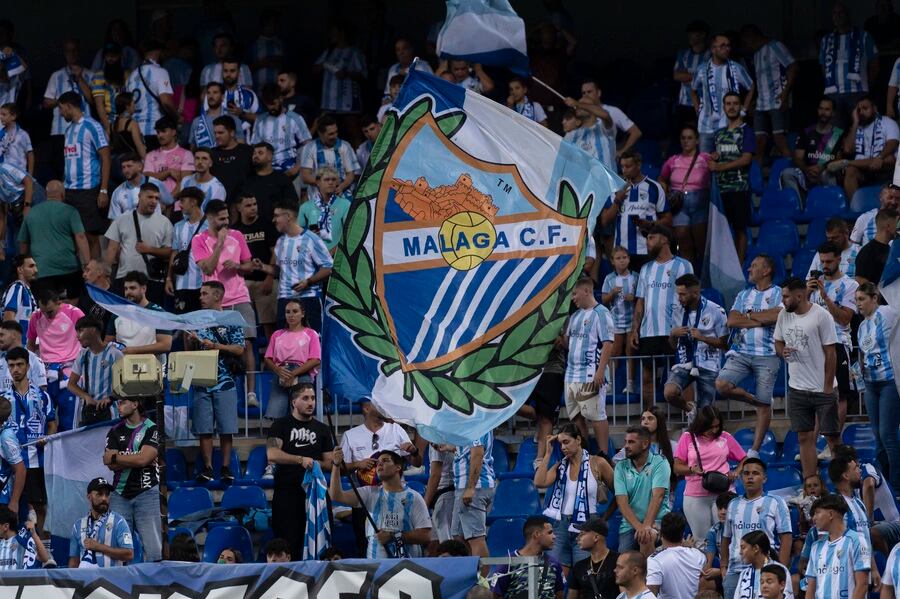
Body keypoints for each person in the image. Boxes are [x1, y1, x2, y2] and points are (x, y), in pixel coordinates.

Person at [715, 254, 782, 457]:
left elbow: (778, 315)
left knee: (764, 405)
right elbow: (732, 320)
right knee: (722, 385)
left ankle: (754, 450)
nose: (749, 269)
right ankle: (755, 400)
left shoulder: (779, 293)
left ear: (766, 270)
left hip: (768, 354)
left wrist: (749, 316)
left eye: (754, 266)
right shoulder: (744, 295)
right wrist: (761, 319)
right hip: (741, 352)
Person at [191, 199, 257, 401]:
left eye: (227, 217)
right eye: (221, 218)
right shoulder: (199, 240)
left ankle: (250, 393)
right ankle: (212, 389)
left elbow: (249, 266)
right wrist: (219, 244)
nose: (226, 221)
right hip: (214, 301)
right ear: (210, 218)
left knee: (246, 343)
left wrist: (237, 266)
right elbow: (208, 268)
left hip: (239, 297)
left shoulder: (237, 235)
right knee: (209, 344)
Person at [773, 277, 838, 479]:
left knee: (833, 439)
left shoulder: (822, 316)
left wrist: (827, 388)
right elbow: (778, 342)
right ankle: (810, 487)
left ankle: (842, 483)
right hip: (797, 388)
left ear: (799, 296)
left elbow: (831, 353)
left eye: (785, 296)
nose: (782, 300)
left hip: (822, 389)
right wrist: (782, 351)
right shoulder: (784, 315)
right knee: (804, 437)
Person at [266, 382, 334, 561]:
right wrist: (300, 460)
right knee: (288, 543)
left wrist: (314, 463)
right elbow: (272, 454)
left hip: (315, 494)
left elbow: (329, 463)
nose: (310, 402)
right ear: (293, 402)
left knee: (320, 546)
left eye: (312, 398)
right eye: (305, 398)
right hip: (287, 494)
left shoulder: (323, 429)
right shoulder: (280, 425)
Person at [535, 423, 614, 573]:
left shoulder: (597, 463)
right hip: (560, 525)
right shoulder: (560, 466)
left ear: (578, 440)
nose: (563, 447)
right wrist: (547, 454)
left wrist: (605, 518)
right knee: (553, 574)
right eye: (560, 444)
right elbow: (539, 482)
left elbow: (620, 493)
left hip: (587, 525)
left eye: (566, 442)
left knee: (584, 576)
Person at [629, 225, 693, 407]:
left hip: (676, 330)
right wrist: (635, 330)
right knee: (647, 378)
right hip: (649, 332)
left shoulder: (683, 265)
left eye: (651, 238)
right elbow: (640, 302)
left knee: (685, 376)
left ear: (664, 239)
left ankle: (691, 416)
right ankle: (649, 418)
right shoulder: (646, 269)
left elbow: (692, 296)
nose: (647, 243)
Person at [186, 281, 244, 484]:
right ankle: (208, 468)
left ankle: (226, 467)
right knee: (204, 428)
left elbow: (239, 349)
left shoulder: (232, 318)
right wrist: (192, 341)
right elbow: (189, 351)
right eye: (200, 293)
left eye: (205, 293)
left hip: (225, 380)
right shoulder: (196, 319)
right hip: (202, 380)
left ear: (217, 296)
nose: (200, 297)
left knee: (226, 427)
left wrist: (216, 345)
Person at [330, 446, 432, 559]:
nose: (379, 464)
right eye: (378, 462)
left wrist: (394, 536)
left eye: (385, 460)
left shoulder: (414, 497)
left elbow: (426, 535)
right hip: (376, 568)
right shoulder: (369, 493)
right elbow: (336, 495)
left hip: (407, 566)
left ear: (398, 467)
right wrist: (336, 465)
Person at [808, 241, 859, 449]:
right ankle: (812, 446)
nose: (825, 266)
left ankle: (833, 446)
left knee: (838, 395)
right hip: (813, 344)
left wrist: (826, 297)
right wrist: (806, 293)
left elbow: (844, 319)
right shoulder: (812, 282)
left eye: (829, 261)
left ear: (839, 259)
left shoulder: (850, 285)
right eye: (822, 262)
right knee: (816, 398)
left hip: (837, 342)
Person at [673, 406, 745, 546]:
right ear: (701, 425)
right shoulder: (688, 437)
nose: (714, 430)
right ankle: (706, 567)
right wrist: (691, 469)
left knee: (728, 538)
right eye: (710, 427)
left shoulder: (725, 437)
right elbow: (677, 467)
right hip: (696, 495)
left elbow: (744, 459)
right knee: (702, 541)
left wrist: (736, 471)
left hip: (724, 492)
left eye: (717, 426)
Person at [721, 458, 792, 599]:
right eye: (746, 473)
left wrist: (780, 568)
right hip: (735, 571)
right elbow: (726, 538)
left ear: (764, 478)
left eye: (755, 473)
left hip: (766, 570)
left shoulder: (776, 502)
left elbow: (786, 537)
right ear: (741, 478)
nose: (750, 477)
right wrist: (724, 566)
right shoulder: (733, 504)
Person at [258, 199, 332, 331]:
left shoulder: (311, 239)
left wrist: (308, 281)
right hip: (284, 299)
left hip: (308, 298)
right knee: (286, 340)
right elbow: (279, 271)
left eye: (276, 216)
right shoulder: (280, 242)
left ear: (288, 216)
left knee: (311, 341)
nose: (273, 220)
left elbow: (328, 267)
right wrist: (263, 267)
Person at [103, 395, 161, 563]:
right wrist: (137, 458)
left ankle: (154, 587)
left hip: (147, 493)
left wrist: (118, 456)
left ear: (135, 404)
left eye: (122, 403)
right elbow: (109, 463)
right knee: (119, 550)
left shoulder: (152, 428)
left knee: (154, 550)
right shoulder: (114, 431)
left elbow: (144, 459)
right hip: (120, 495)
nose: (118, 407)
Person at [3, 347, 54, 533]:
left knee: (40, 507)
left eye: (19, 365)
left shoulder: (42, 396)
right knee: (10, 509)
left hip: (36, 460)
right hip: (10, 463)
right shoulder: (3, 398)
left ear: (28, 365)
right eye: (11, 366)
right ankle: (13, 552)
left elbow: (52, 423)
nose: (15, 369)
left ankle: (42, 552)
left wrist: (46, 438)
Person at [663, 273, 728, 414]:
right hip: (684, 363)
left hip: (708, 364)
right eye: (678, 294)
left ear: (695, 293)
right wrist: (672, 335)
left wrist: (703, 337)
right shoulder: (676, 311)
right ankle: (689, 409)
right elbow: (674, 345)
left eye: (683, 294)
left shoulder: (716, 311)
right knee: (669, 393)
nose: (679, 298)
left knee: (704, 413)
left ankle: (700, 424)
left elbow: (725, 344)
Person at [856, 283, 900, 489]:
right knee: (878, 436)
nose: (858, 304)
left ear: (875, 298)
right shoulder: (862, 325)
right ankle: (885, 484)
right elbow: (862, 354)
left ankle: (898, 484)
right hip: (870, 385)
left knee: (887, 433)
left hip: (889, 382)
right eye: (856, 300)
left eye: (862, 299)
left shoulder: (888, 312)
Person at [563, 276, 614, 452]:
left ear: (587, 291)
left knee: (596, 416)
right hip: (571, 374)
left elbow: (608, 343)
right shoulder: (574, 316)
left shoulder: (601, 313)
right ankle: (583, 453)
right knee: (576, 417)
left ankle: (603, 455)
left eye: (575, 293)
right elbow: (567, 344)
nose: (573, 298)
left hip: (589, 374)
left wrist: (600, 372)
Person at [58, 91, 111, 260]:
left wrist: (103, 190)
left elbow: (106, 157)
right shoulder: (68, 130)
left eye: (61, 109)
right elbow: (67, 161)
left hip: (88, 189)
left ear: (68, 106)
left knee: (90, 236)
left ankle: (94, 276)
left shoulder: (92, 126)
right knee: (71, 236)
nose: (60, 113)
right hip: (69, 190)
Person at [18, 180, 90, 302]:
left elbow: (23, 243)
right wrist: (87, 264)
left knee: (46, 306)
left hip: (41, 270)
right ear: (63, 194)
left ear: (46, 195)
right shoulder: (70, 211)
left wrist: (23, 266)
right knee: (73, 304)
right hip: (69, 268)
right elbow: (81, 237)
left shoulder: (31, 213)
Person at [599, 152, 671, 271]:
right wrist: (617, 201)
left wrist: (650, 225)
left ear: (638, 165)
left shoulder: (654, 187)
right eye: (622, 167)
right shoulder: (616, 188)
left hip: (647, 250)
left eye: (628, 166)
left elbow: (668, 220)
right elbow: (605, 221)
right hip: (622, 253)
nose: (624, 170)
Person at [104, 183, 173, 304]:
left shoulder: (164, 222)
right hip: (125, 279)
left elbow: (169, 251)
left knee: (151, 319)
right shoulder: (122, 219)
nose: (154, 201)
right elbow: (112, 248)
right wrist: (107, 274)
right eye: (150, 197)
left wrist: (150, 249)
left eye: (157, 198)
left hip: (152, 280)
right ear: (139, 196)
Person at [26, 288, 83, 431]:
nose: (46, 314)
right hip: (46, 374)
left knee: (68, 420)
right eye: (43, 310)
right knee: (45, 418)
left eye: (50, 311)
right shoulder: (36, 316)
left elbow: (88, 337)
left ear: (59, 302)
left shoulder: (74, 313)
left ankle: (69, 452)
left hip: (70, 373)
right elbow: (31, 345)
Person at [709, 91, 755, 263]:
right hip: (720, 189)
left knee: (739, 229)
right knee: (721, 230)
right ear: (723, 107)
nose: (731, 107)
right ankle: (726, 264)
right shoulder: (719, 133)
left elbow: (746, 158)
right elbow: (719, 154)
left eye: (735, 103)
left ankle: (739, 264)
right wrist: (715, 157)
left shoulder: (746, 131)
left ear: (740, 106)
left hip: (739, 188)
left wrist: (720, 166)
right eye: (728, 103)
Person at [741, 25, 797, 162]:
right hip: (762, 103)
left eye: (746, 41)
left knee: (780, 139)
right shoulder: (756, 54)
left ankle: (790, 170)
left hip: (778, 99)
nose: (746, 46)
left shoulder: (775, 46)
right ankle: (758, 177)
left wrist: (785, 93)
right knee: (758, 140)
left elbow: (793, 67)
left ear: (752, 37)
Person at [819, 2, 879, 128]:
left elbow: (874, 63)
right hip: (834, 93)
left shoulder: (864, 36)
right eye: (834, 13)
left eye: (841, 13)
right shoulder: (826, 40)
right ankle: (839, 149)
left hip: (858, 92)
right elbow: (823, 66)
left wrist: (868, 84)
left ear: (848, 15)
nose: (837, 16)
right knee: (835, 131)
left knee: (861, 127)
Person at [659, 124, 711, 268]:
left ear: (697, 140)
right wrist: (666, 189)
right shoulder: (673, 160)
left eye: (689, 138)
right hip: (679, 203)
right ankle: (689, 277)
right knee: (683, 241)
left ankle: (706, 281)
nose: (686, 141)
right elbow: (662, 179)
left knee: (701, 243)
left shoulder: (705, 158)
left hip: (700, 202)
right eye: (683, 138)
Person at [690, 34, 754, 152]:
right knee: (705, 163)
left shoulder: (736, 68)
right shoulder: (701, 69)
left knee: (727, 161)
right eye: (722, 46)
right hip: (706, 126)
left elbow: (751, 87)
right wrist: (698, 110)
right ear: (713, 49)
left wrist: (744, 110)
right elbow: (693, 91)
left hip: (729, 125)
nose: (727, 49)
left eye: (728, 46)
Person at [614, 425, 671, 554]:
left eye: (631, 442)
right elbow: (621, 501)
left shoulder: (660, 463)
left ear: (645, 444)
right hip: (630, 525)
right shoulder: (620, 467)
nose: (626, 446)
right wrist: (640, 527)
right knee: (625, 562)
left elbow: (658, 496)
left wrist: (646, 526)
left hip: (658, 521)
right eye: (625, 442)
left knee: (652, 551)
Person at [563, 79, 642, 172]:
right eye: (583, 93)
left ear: (599, 93)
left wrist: (621, 152)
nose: (586, 95)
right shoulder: (573, 133)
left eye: (589, 91)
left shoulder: (607, 119)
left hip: (605, 179)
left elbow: (635, 132)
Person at [262, 299, 321, 420]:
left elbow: (315, 359)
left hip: (302, 372)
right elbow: (268, 358)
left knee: (301, 414)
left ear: (302, 314)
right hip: (281, 373)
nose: (291, 315)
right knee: (276, 415)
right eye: (288, 312)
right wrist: (278, 370)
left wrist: (293, 373)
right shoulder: (277, 334)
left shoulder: (311, 334)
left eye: (295, 311)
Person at [43, 39, 93, 179]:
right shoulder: (56, 75)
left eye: (75, 50)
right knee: (60, 167)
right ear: (64, 53)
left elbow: (93, 101)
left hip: (84, 129)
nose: (72, 54)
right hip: (60, 130)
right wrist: (63, 102)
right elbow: (46, 102)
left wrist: (80, 79)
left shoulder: (90, 74)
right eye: (68, 51)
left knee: (82, 165)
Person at [804, 494, 870, 599]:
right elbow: (811, 588)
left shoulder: (857, 541)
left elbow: (862, 585)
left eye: (817, 513)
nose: (813, 518)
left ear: (830, 514)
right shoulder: (815, 547)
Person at [780, 97, 844, 202]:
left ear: (833, 113)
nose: (823, 112)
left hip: (826, 172)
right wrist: (807, 170)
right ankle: (799, 209)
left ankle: (831, 207)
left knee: (828, 175)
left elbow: (839, 160)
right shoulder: (807, 132)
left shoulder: (837, 134)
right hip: (807, 173)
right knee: (787, 173)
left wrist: (822, 168)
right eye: (821, 109)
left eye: (827, 110)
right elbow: (798, 157)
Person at [835, 95, 899, 199]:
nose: (861, 112)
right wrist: (855, 123)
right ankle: (855, 208)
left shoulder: (887, 122)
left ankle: (847, 162)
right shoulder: (856, 127)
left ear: (874, 108)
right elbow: (847, 149)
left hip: (883, 166)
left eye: (865, 108)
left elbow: (893, 143)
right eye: (859, 110)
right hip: (863, 169)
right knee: (850, 170)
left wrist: (880, 158)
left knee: (890, 158)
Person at [233, 194, 278, 337]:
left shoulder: (266, 225)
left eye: (254, 204)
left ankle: (271, 357)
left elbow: (275, 253)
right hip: (243, 283)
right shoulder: (235, 230)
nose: (253, 208)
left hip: (264, 281)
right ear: (239, 208)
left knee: (269, 323)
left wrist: (270, 278)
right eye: (248, 205)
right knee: (245, 326)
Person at [104, 271, 173, 364]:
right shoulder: (117, 314)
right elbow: (108, 343)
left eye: (132, 288)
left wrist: (135, 351)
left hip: (152, 370)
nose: (128, 292)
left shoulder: (158, 313)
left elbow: (165, 345)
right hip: (123, 369)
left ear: (143, 289)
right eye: (126, 288)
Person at [489, 515, 564, 599]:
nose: (554, 536)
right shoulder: (508, 562)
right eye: (550, 532)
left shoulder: (554, 563)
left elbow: (559, 594)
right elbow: (496, 595)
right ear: (536, 534)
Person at [67, 477, 134, 568]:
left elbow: (129, 554)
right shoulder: (78, 525)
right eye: (99, 494)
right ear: (89, 497)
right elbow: (74, 562)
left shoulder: (119, 521)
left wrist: (99, 547)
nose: (104, 498)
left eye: (107, 494)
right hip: (86, 580)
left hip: (112, 580)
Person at [68, 316, 124, 425]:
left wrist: (110, 398)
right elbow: (71, 384)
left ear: (93, 330)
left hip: (111, 412)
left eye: (81, 331)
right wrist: (86, 396)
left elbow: (124, 384)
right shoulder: (82, 355)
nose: (77, 336)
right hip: (88, 411)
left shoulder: (115, 354)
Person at [451, 431, 495, 566]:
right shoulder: (473, 422)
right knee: (458, 536)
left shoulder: (476, 422)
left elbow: (477, 453)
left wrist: (470, 488)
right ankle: (467, 577)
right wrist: (450, 447)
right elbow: (469, 450)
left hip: (474, 487)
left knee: (476, 539)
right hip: (467, 486)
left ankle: (482, 581)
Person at [251, 83, 310, 177]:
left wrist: (296, 168)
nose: (271, 108)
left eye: (273, 103)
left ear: (281, 98)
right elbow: (255, 146)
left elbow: (308, 145)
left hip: (290, 170)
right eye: (268, 104)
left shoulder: (295, 118)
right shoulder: (260, 120)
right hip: (266, 171)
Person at [601, 246, 638, 394]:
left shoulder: (635, 277)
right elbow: (603, 299)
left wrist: (633, 298)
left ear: (629, 259)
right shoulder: (609, 279)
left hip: (631, 322)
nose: (622, 261)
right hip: (615, 321)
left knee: (630, 352)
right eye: (618, 258)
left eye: (624, 258)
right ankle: (609, 384)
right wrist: (612, 293)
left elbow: (642, 298)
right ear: (612, 261)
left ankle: (630, 384)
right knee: (614, 352)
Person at [125, 40, 174, 148]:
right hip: (154, 130)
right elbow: (166, 102)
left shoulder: (131, 76)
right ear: (157, 52)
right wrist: (177, 117)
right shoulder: (160, 72)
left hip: (134, 131)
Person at [166, 188, 207, 314]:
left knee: (203, 324)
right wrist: (169, 278)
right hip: (181, 284)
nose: (180, 205)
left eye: (183, 201)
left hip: (204, 284)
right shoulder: (178, 226)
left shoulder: (209, 226)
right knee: (183, 325)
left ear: (193, 202)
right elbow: (174, 253)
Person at [646, 512, 705, 599]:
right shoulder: (698, 555)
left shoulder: (655, 559)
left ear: (661, 533)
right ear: (683, 534)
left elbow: (651, 594)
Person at [238, 142, 299, 225]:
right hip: (253, 229)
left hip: (277, 227)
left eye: (260, 153)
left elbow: (292, 204)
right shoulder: (247, 180)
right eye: (254, 153)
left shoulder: (282, 179)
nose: (256, 156)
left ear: (270, 157)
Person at [299, 115, 359, 198]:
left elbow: (351, 174)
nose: (335, 136)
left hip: (342, 195)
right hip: (317, 197)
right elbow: (305, 176)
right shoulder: (309, 148)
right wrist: (325, 185)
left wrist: (341, 186)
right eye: (331, 134)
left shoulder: (345, 146)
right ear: (320, 133)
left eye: (336, 132)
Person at [672, 21, 710, 138]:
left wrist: (688, 75)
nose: (689, 37)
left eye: (693, 33)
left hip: (705, 103)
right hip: (684, 103)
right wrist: (698, 76)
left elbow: (710, 77)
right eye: (689, 34)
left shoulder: (711, 55)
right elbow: (677, 76)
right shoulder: (683, 54)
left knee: (702, 136)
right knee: (686, 137)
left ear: (702, 35)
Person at [108, 154, 173, 221]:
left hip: (154, 229)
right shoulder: (117, 192)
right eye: (123, 167)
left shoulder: (156, 184)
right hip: (129, 230)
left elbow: (169, 203)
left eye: (129, 166)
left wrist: (165, 224)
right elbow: (114, 220)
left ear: (140, 166)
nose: (126, 170)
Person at [566, 517, 619, 599]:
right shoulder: (579, 567)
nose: (577, 538)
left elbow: (627, 593)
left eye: (582, 534)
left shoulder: (619, 561)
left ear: (596, 537)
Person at [734, 531, 794, 599]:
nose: (740, 552)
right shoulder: (744, 573)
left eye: (743, 548)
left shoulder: (780, 569)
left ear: (756, 548)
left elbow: (788, 596)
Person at [142, 117, 193, 195]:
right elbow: (148, 179)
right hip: (155, 204)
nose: (160, 135)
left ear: (174, 132)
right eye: (158, 132)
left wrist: (169, 200)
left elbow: (185, 182)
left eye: (163, 131)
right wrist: (168, 172)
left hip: (179, 204)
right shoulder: (150, 155)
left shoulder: (187, 154)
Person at [210, 116, 253, 206]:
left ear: (232, 133)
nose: (217, 136)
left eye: (221, 132)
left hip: (244, 204)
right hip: (218, 204)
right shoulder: (211, 154)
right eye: (215, 133)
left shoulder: (248, 151)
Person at [89, 42, 129, 137]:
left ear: (119, 56)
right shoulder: (99, 76)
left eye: (114, 55)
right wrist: (107, 128)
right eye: (107, 55)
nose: (110, 58)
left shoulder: (128, 75)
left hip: (127, 120)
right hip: (109, 121)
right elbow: (99, 105)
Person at [189, 83, 243, 151]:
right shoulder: (197, 121)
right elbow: (192, 148)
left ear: (222, 97)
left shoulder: (234, 119)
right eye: (208, 93)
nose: (211, 96)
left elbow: (241, 146)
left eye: (215, 92)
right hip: (204, 160)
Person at [0, 321, 47, 395]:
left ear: (13, 335)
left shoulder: (34, 360)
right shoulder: (1, 361)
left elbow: (42, 392)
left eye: (2, 335)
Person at [0, 505, 51, 570]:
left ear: (6, 526)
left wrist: (34, 534)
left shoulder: (23, 540)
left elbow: (44, 558)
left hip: (18, 579)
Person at [855, 208, 897, 285]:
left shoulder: (891, 250)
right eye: (897, 223)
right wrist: (877, 295)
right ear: (888, 226)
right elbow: (861, 280)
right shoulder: (867, 252)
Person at [850, 182, 900, 246]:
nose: (893, 202)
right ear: (881, 197)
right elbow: (853, 247)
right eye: (890, 197)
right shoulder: (865, 218)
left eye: (898, 199)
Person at [2, 255, 36, 344]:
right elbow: (8, 317)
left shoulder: (25, 289)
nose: (36, 270)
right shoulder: (17, 287)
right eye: (31, 266)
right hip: (18, 346)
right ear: (20, 270)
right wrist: (16, 343)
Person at [249, 10, 285, 89]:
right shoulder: (253, 45)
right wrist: (262, 63)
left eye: (276, 22)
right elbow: (244, 69)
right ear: (264, 24)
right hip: (258, 91)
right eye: (272, 22)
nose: (274, 25)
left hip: (278, 93)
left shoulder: (282, 44)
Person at [0, 103, 33, 174]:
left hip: (19, 174)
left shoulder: (23, 135)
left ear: (13, 116)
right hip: (3, 174)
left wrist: (30, 175)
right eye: (0, 114)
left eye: (4, 115)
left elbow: (30, 155)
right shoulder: (1, 134)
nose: (1, 117)